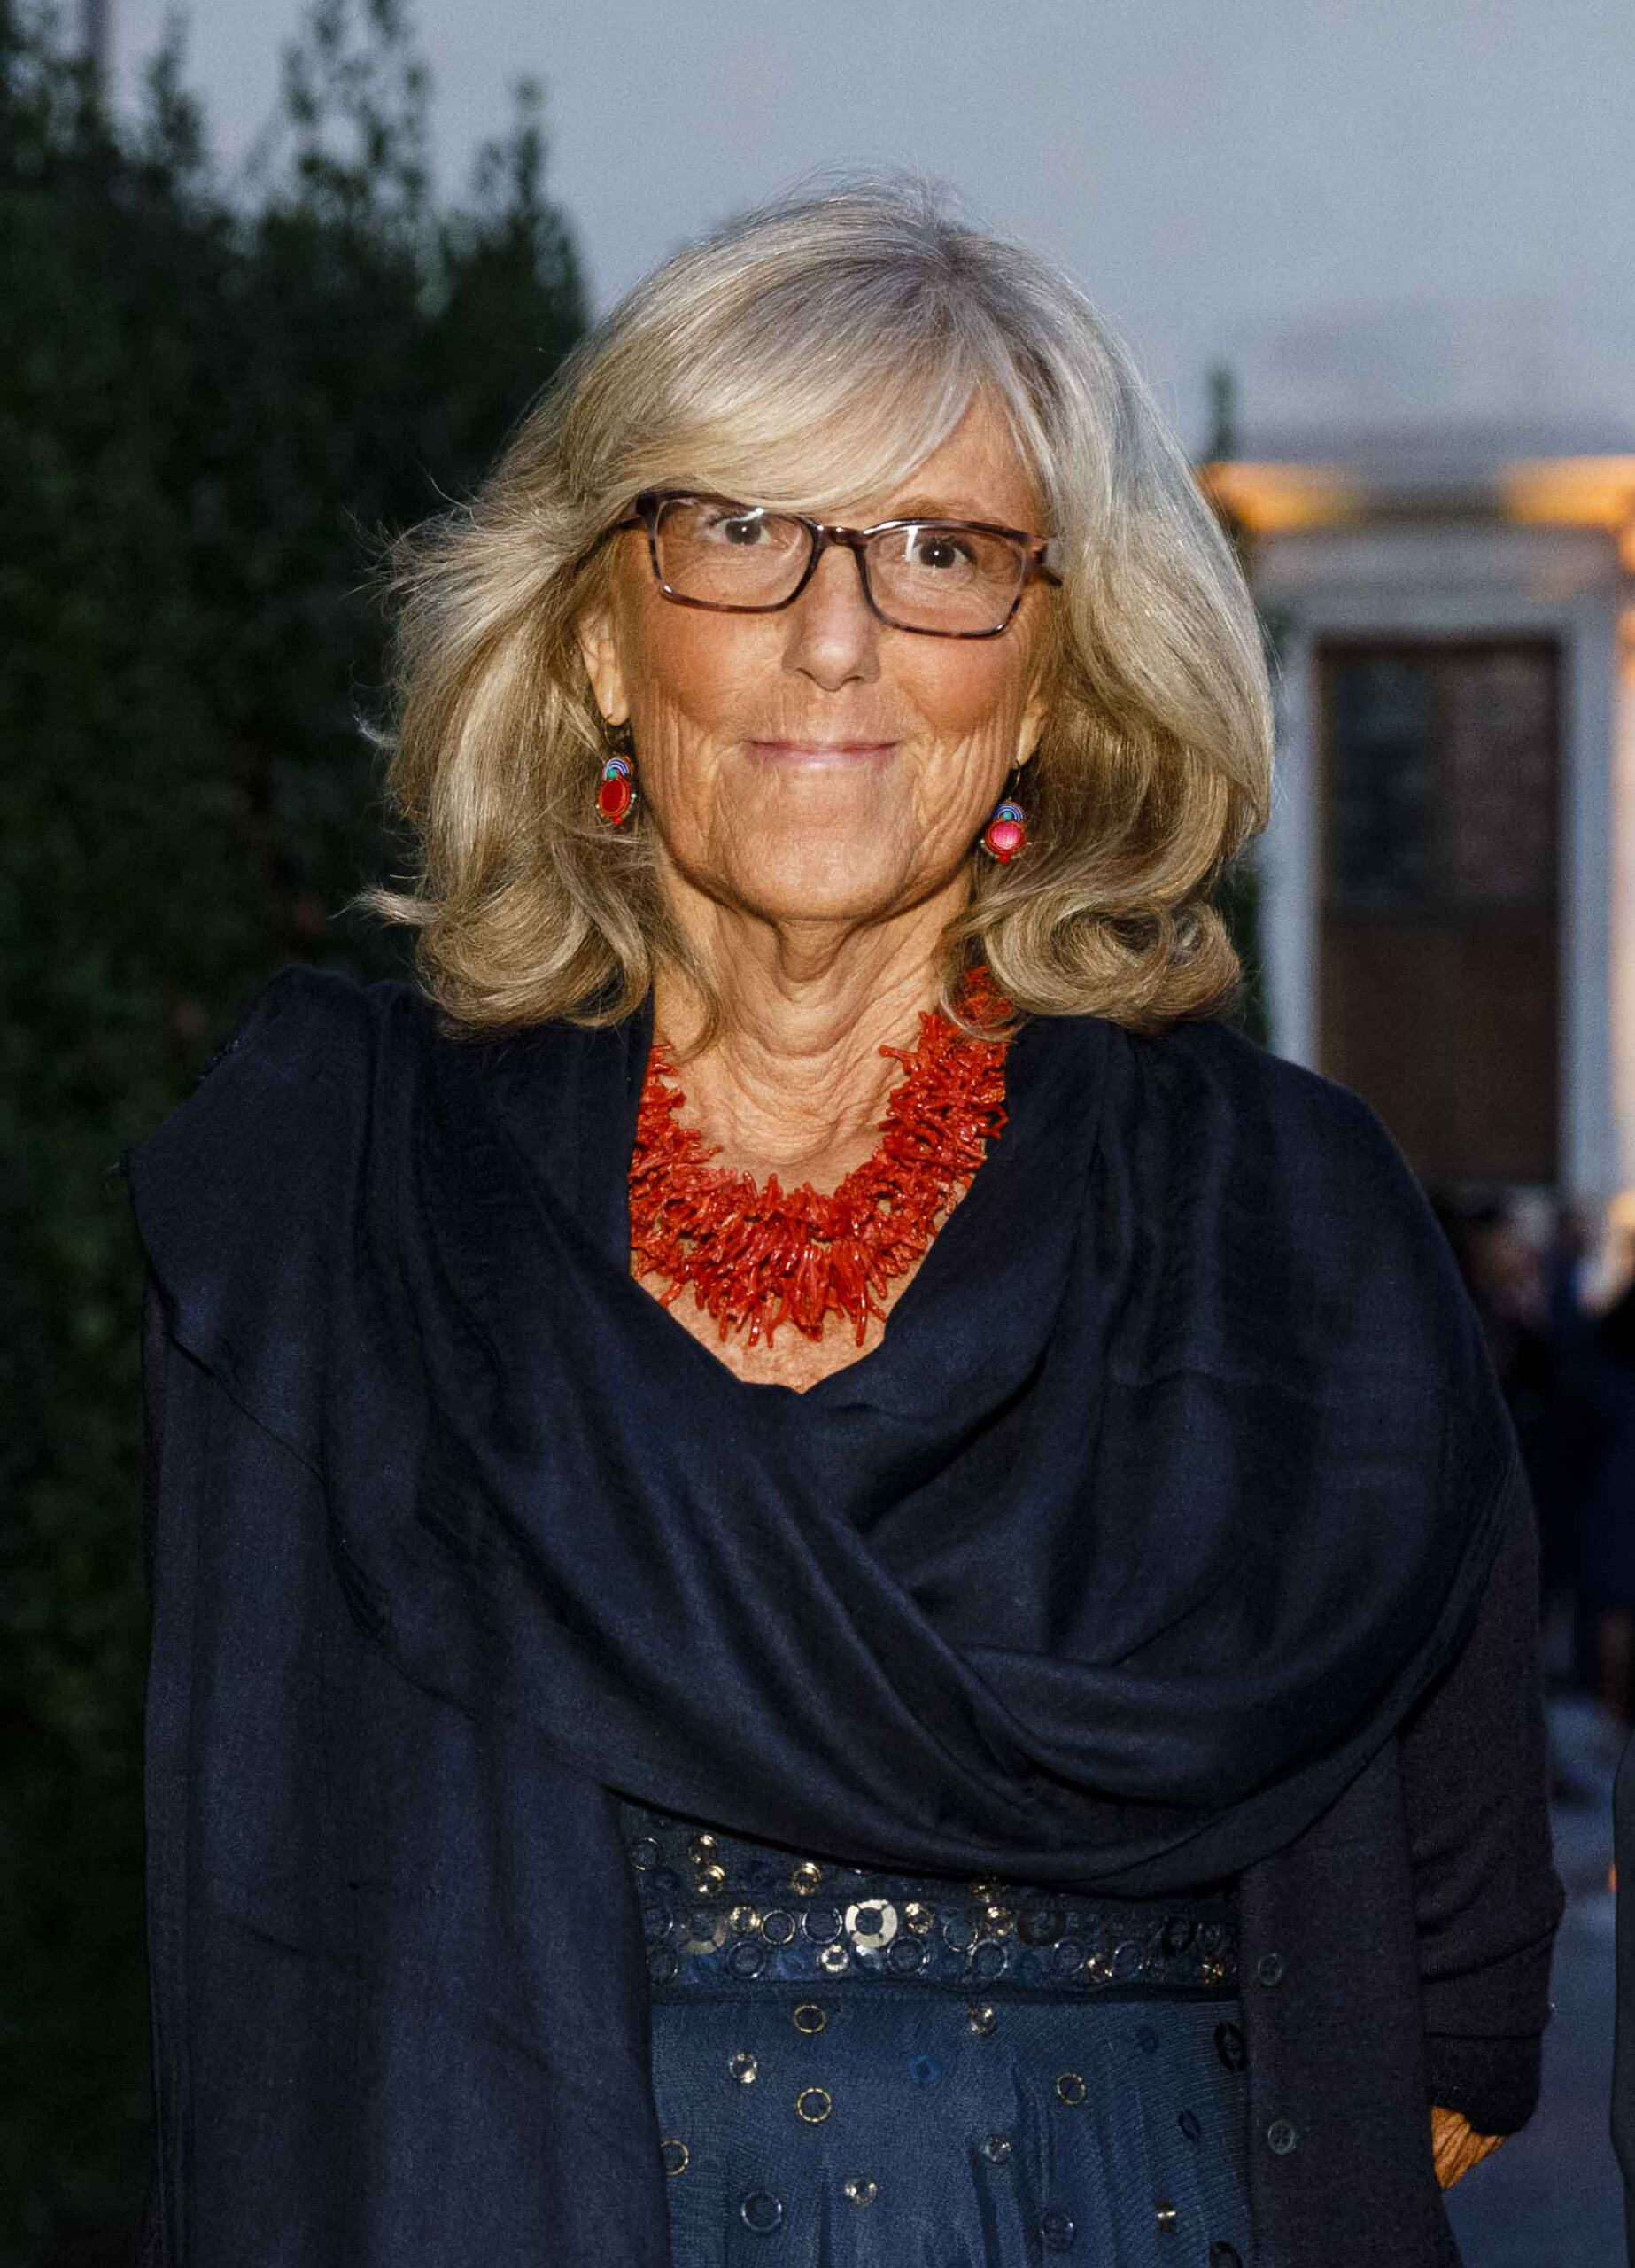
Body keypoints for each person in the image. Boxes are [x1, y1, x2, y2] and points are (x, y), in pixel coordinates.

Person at [128, 182, 1561, 2268]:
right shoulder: (337, 1204)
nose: (833, 634)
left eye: (941, 552)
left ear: (1050, 676)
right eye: (738, 528)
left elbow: (1447, 2028)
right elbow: (263, 1946)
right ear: (599, 639)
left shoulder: (1290, 1229)